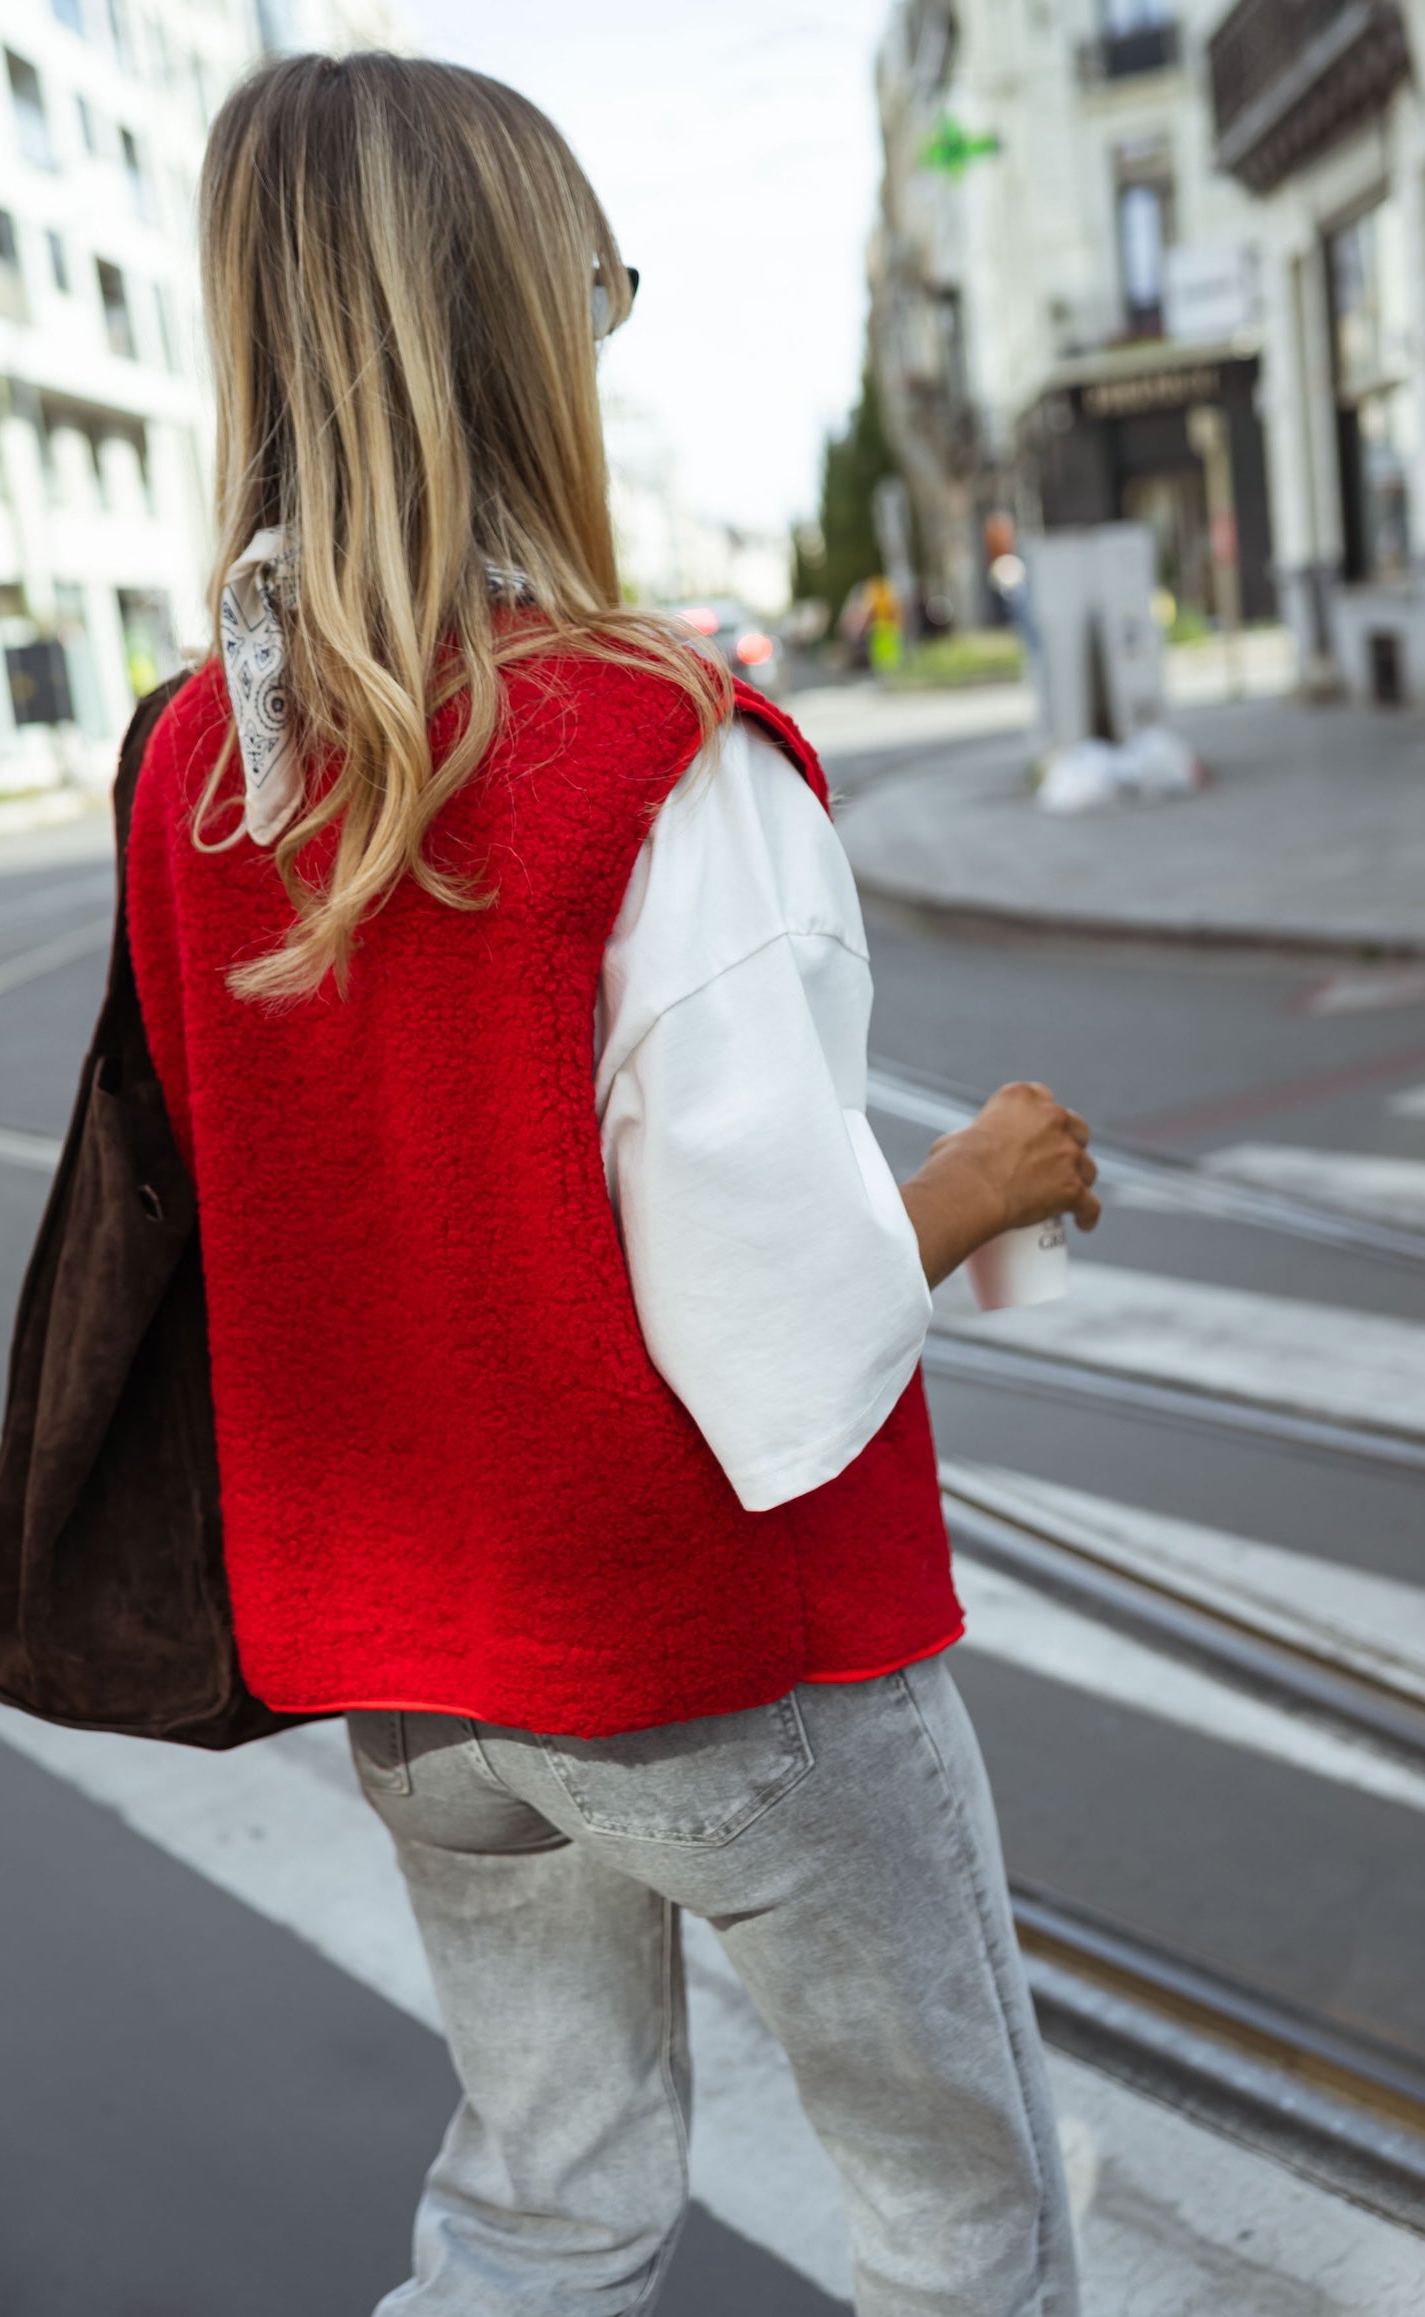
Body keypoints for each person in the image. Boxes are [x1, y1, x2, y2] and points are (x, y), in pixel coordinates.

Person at [125, 51, 1099, 2317]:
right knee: (959, 2214)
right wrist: (971, 1187)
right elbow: (778, 1349)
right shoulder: (645, 751)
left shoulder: (195, 761)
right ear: (522, 340)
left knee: (543, 2211)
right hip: (723, 1666)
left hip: (417, 1684)